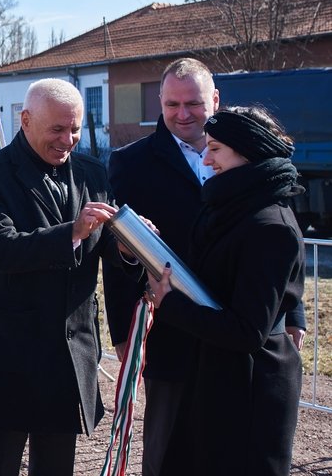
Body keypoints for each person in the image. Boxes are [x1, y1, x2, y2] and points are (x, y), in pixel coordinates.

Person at [102, 58, 306, 476]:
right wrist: (125, 329)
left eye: (193, 103)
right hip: (176, 338)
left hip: (237, 342)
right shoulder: (131, 163)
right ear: (159, 102)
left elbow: (281, 256)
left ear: (215, 100)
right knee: (171, 452)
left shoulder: (264, 192)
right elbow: (118, 251)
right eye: (171, 104)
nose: (182, 114)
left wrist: (292, 312)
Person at [0, 78, 138, 476]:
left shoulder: (94, 171)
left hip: (70, 353)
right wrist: (73, 232)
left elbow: (107, 248)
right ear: (26, 120)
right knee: (0, 466)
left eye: (75, 128)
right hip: (12, 352)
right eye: (58, 129)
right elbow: (3, 249)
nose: (69, 139)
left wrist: (130, 245)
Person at [146, 105, 305, 476]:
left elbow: (247, 331)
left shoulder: (271, 227)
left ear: (247, 152)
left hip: (251, 390)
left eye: (215, 148)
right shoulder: (227, 206)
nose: (206, 156)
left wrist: (169, 304)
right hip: (218, 374)